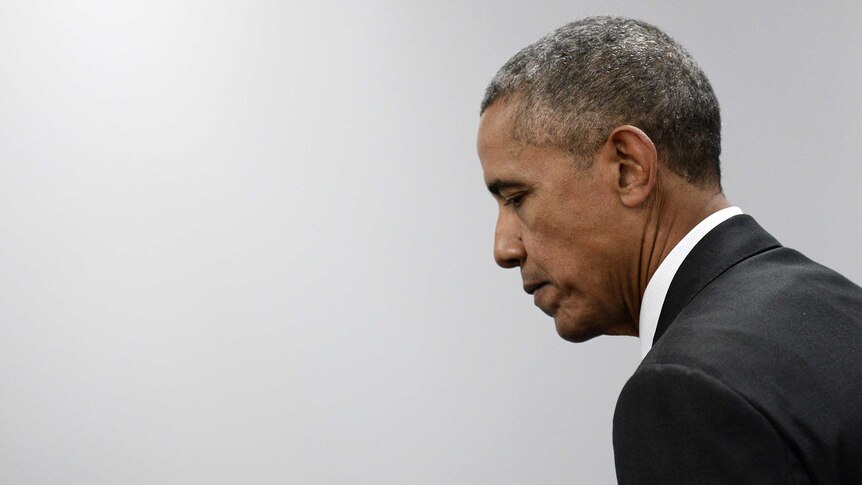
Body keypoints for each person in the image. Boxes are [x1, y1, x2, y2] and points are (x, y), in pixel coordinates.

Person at [477, 16, 862, 484]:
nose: (503, 247)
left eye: (517, 198)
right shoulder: (842, 307)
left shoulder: (685, 391)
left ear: (628, 169)